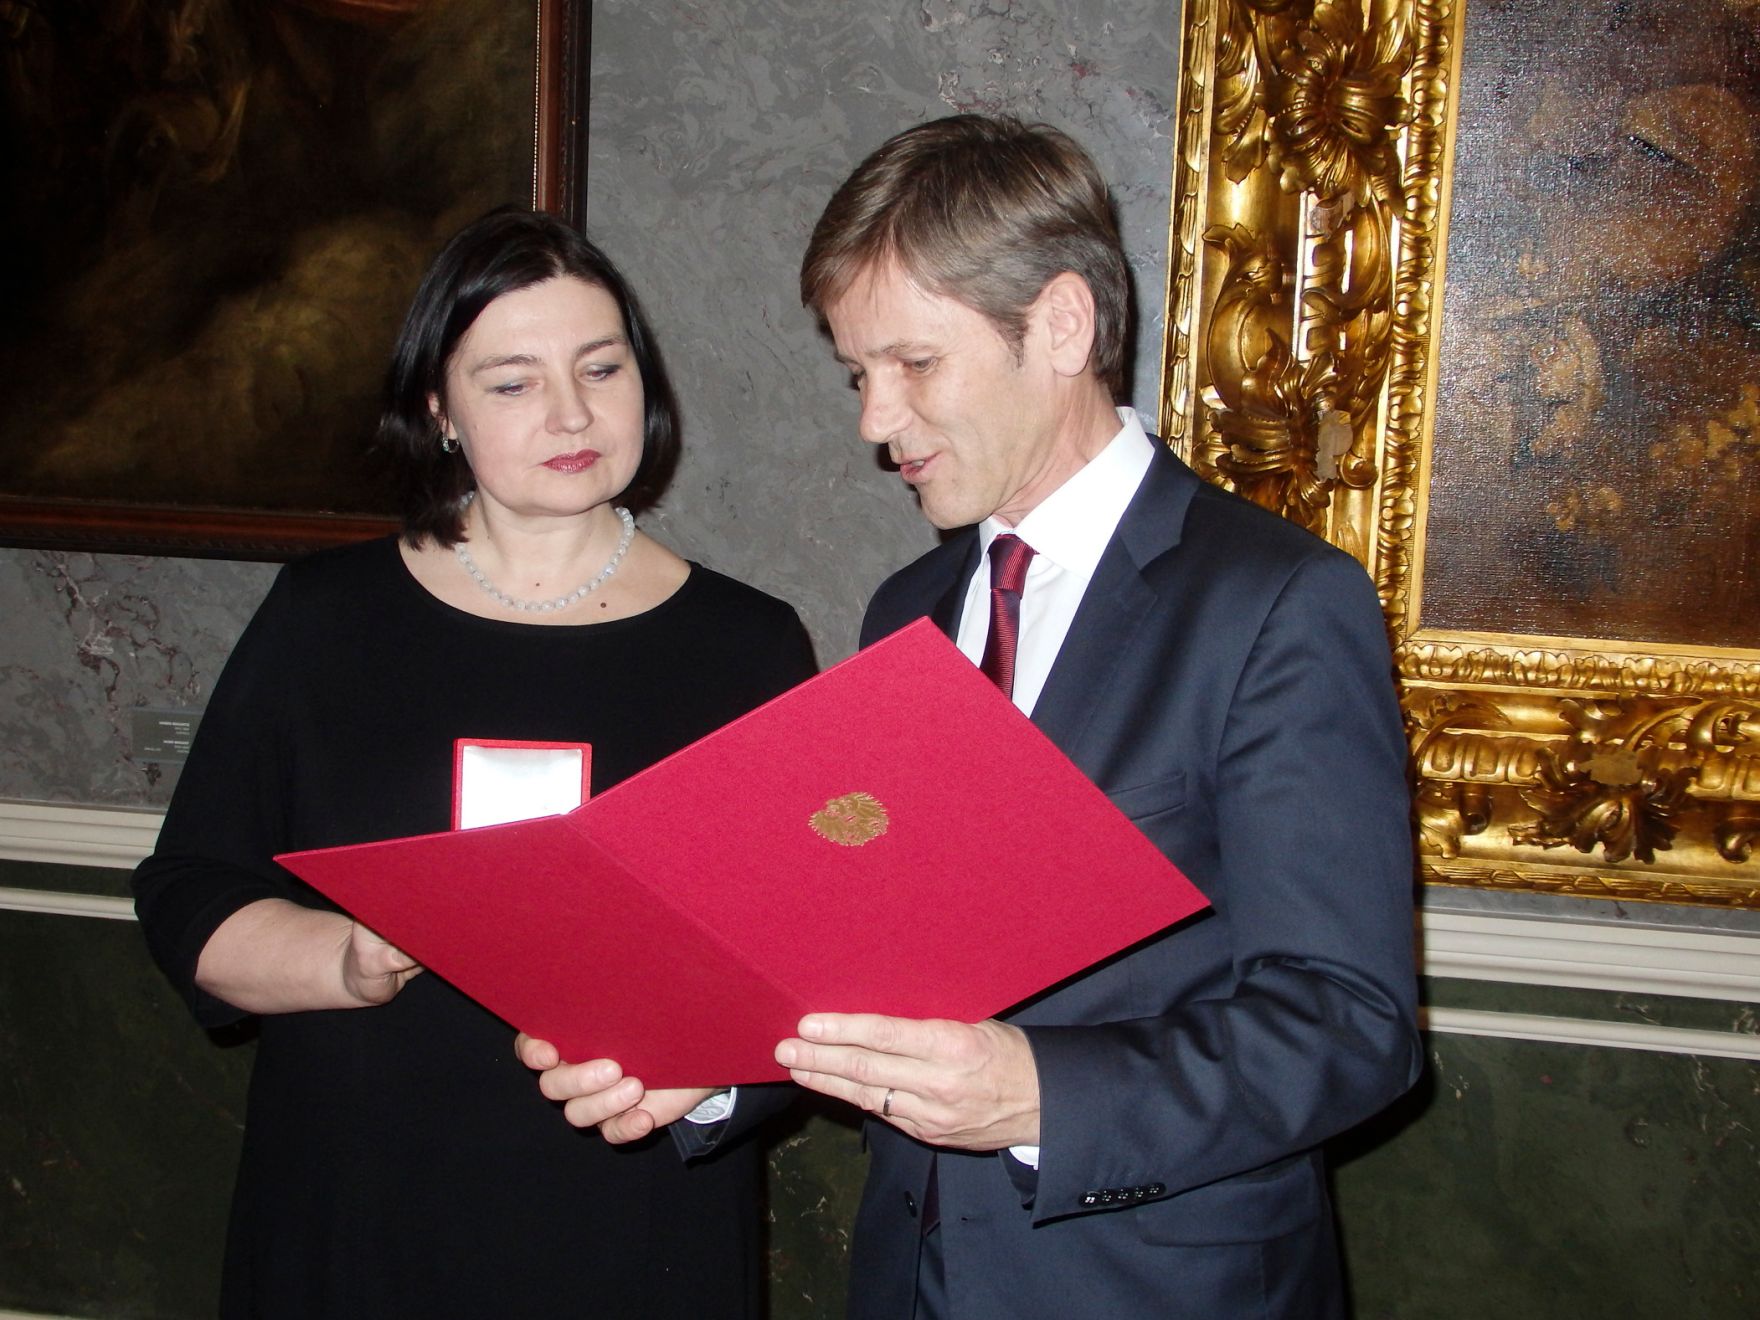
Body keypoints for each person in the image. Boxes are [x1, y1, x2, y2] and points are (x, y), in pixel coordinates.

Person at [525, 114, 1422, 1316]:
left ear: (1060, 323)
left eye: (912, 365)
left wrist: (1043, 1092)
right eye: (857, 375)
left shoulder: (1273, 604)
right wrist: (710, 1067)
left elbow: (1350, 1026)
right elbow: (865, 962)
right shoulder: (911, 607)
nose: (872, 421)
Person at [132, 206, 815, 1319]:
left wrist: (715, 1074)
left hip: (632, 1218)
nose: (571, 411)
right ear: (436, 410)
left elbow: (803, 960)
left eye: (602, 367)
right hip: (355, 1213)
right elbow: (187, 890)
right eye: (511, 381)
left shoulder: (746, 644)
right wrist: (343, 958)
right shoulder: (326, 618)